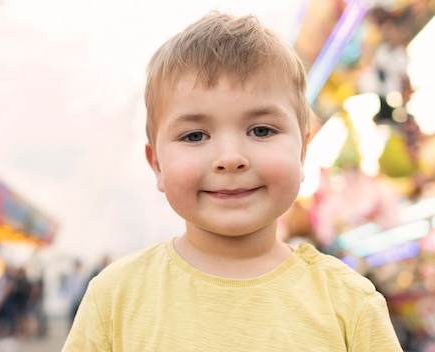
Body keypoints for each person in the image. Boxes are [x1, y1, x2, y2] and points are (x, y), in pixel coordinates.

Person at [63, 11, 402, 351]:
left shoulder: (350, 303)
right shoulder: (114, 298)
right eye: (195, 135)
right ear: (158, 167)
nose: (230, 158)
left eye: (261, 130)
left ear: (302, 153)